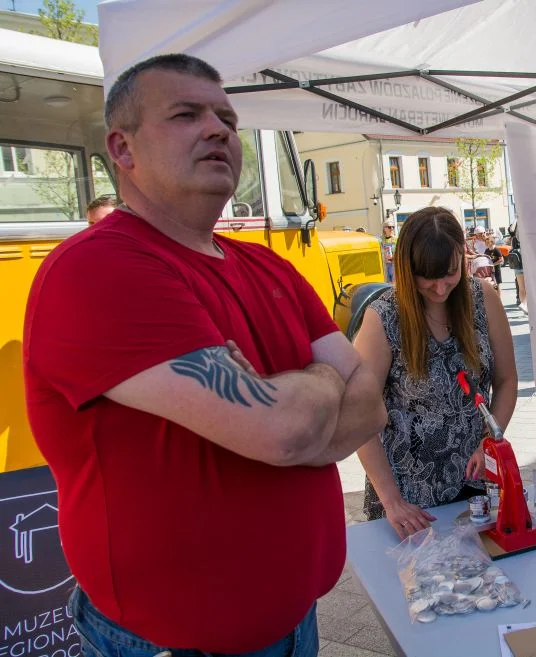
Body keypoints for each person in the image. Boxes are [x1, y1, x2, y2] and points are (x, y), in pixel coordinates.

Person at [23, 54, 387, 655]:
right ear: (123, 148)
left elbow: (370, 406)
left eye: (226, 117)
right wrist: (324, 380)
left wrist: (294, 405)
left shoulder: (268, 264)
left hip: (296, 621)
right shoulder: (99, 268)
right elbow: (285, 429)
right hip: (173, 641)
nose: (218, 129)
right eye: (187, 114)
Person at [355, 207, 517, 539]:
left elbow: (506, 380)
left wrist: (488, 444)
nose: (441, 288)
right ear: (406, 267)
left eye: (449, 273)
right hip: (408, 500)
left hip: (474, 487)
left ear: (463, 257)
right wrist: (391, 500)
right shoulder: (383, 317)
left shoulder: (482, 298)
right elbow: (358, 417)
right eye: (427, 276)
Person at [507, 221, 527, 310]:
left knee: (521, 287)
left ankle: (523, 303)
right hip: (526, 262)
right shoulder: (526, 236)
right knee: (529, 287)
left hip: (517, 263)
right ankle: (527, 304)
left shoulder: (513, 239)